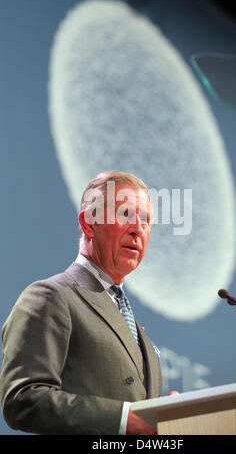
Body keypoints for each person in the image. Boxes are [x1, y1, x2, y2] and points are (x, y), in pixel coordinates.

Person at [0, 171, 163, 435]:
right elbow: (24, 398)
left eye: (145, 219)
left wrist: (170, 414)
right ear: (89, 224)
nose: (138, 228)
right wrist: (122, 420)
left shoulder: (136, 330)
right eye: (125, 214)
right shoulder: (51, 296)